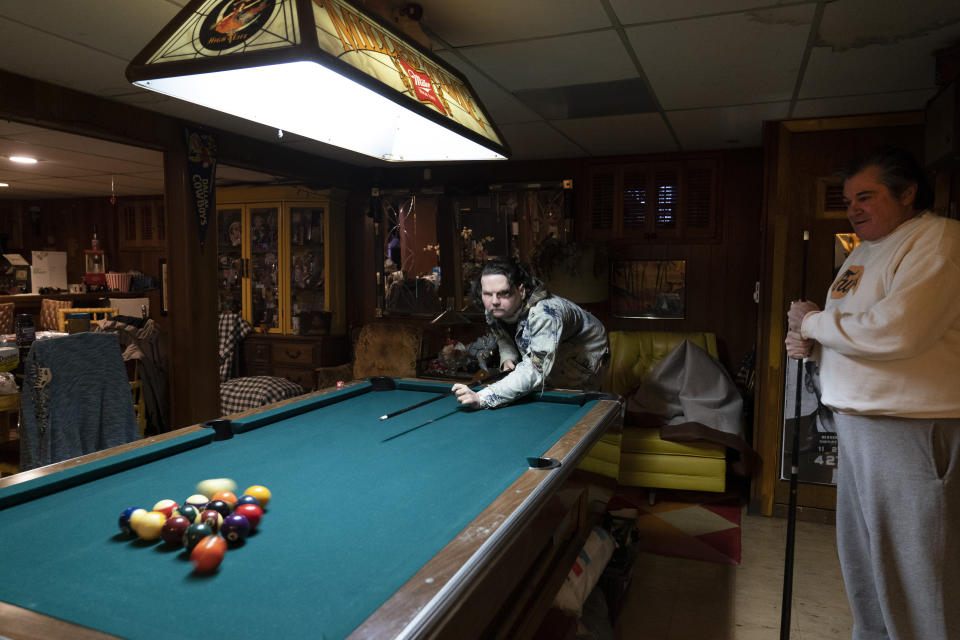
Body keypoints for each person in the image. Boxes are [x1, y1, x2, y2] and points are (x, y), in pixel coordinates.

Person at [785, 146, 960, 640]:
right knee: (865, 554)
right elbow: (857, 331)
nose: (854, 209)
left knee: (917, 565)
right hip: (858, 425)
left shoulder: (939, 240)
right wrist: (813, 345)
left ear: (907, 193)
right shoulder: (862, 252)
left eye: (866, 197)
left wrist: (816, 322)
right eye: (848, 201)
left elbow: (898, 332)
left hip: (909, 429)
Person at [452, 257, 609, 409]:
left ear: (521, 291)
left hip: (583, 356)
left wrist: (483, 397)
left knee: (566, 405)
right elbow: (502, 334)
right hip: (552, 350)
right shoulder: (495, 309)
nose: (494, 301)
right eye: (487, 294)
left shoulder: (545, 315)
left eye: (503, 293)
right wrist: (508, 357)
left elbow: (535, 369)